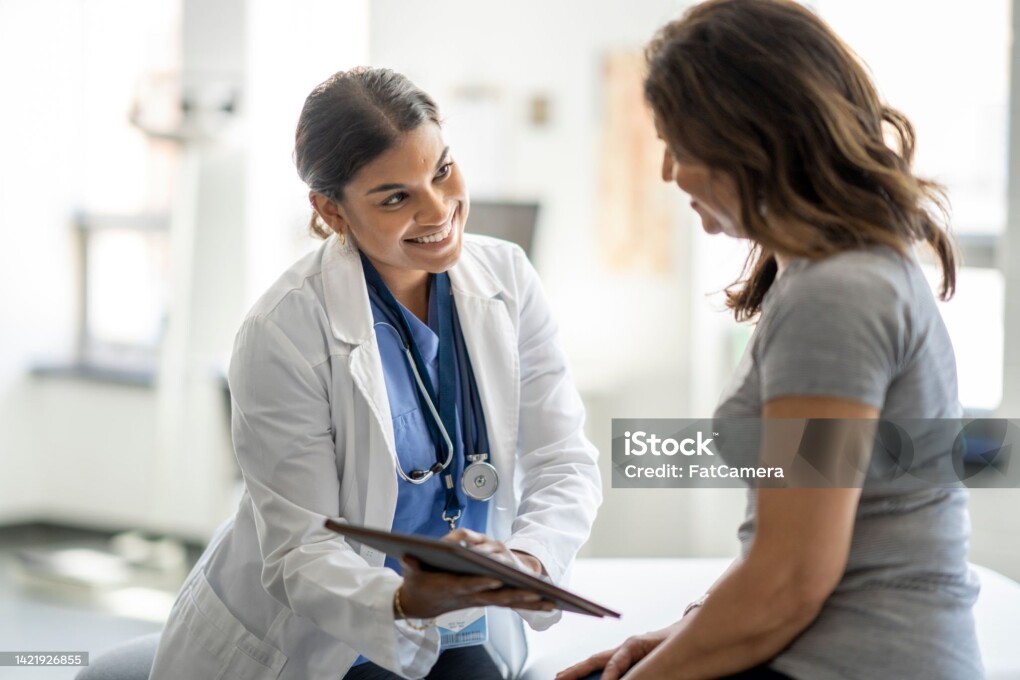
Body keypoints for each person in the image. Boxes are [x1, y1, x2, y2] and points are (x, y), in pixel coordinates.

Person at [558, 0, 981, 678]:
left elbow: (788, 584)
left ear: (748, 138)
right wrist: (680, 637)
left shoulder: (837, 293)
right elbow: (789, 549)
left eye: (679, 147)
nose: (670, 174)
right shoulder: (820, 276)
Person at [149, 67, 602, 680]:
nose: (438, 209)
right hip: (328, 638)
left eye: (441, 170)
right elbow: (300, 551)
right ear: (331, 211)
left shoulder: (509, 279)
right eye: (396, 197)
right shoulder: (283, 332)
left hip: (467, 627)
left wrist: (527, 560)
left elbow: (563, 461)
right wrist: (405, 599)